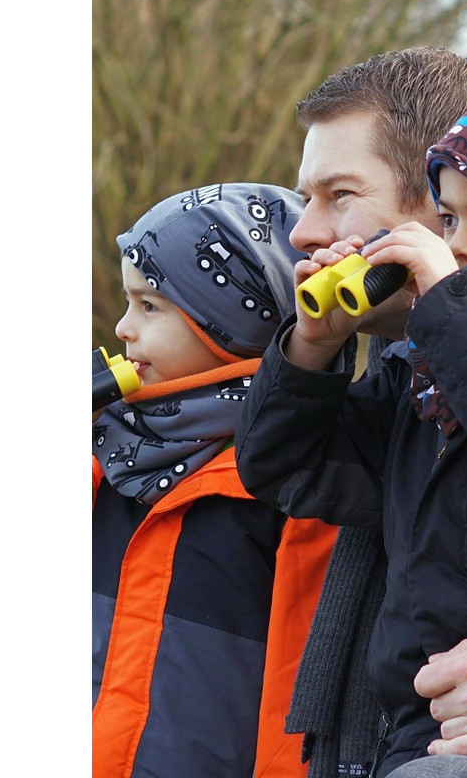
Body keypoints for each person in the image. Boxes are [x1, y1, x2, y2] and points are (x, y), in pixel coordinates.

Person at [237, 67, 467, 778]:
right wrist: (312, 346)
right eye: (451, 220)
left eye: (339, 195)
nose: (303, 232)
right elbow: (287, 468)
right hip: (420, 739)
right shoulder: (420, 376)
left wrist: (451, 307)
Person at [91, 181, 337, 778]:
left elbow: (295, 697)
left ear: (230, 322)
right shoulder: (107, 453)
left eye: (149, 306)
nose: (122, 328)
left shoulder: (296, 484)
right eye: (127, 303)